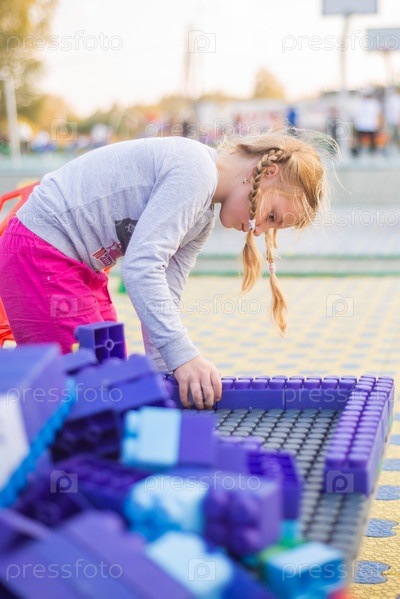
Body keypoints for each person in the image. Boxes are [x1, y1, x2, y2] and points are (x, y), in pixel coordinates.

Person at [0, 130, 334, 409]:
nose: (258, 231)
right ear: (269, 171)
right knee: (84, 392)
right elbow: (141, 268)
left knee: (108, 373)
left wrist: (169, 378)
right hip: (40, 254)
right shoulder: (195, 171)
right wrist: (184, 357)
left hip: (76, 267)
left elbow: (165, 296)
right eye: (271, 216)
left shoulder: (202, 219)